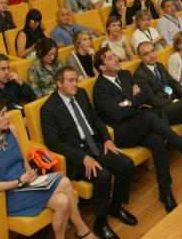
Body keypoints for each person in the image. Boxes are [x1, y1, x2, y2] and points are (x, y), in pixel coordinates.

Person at [92, 47, 182, 212]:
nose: (116, 58)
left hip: (138, 123)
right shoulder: (100, 88)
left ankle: (165, 190)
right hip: (122, 133)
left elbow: (145, 95)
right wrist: (134, 101)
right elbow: (117, 114)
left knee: (157, 140)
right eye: (110, 58)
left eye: (114, 55)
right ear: (102, 67)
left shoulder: (125, 74)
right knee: (149, 116)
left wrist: (128, 102)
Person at [0, 99, 95, 239]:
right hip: (10, 194)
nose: (8, 117)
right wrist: (18, 182)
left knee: (62, 201)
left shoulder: (12, 130)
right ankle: (82, 230)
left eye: (6, 112)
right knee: (64, 182)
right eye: (3, 114)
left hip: (27, 183)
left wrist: (30, 173)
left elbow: (22, 157)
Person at [42, 65, 138, 239]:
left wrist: (107, 139)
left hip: (95, 144)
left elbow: (95, 118)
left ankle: (116, 207)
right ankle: (100, 222)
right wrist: (82, 157)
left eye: (76, 79)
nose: (75, 84)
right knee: (103, 176)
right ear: (58, 83)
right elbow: (54, 143)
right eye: (71, 80)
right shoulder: (49, 108)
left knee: (126, 164)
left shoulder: (81, 94)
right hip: (76, 155)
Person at [134, 41, 182, 148]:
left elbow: (174, 84)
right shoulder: (139, 75)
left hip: (172, 107)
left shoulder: (159, 66)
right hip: (160, 111)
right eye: (146, 54)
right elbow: (153, 101)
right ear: (140, 57)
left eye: (152, 51)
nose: (151, 55)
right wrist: (174, 101)